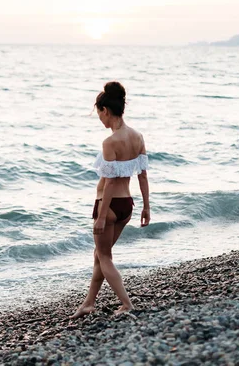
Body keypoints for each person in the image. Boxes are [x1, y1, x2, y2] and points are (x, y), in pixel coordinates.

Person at [71, 81, 150, 319]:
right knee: (99, 254)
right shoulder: (137, 136)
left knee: (104, 256)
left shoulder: (110, 142)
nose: (100, 120)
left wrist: (102, 216)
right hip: (127, 206)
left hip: (109, 206)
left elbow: (111, 182)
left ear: (106, 110)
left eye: (99, 114)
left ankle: (126, 303)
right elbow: (143, 175)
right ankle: (89, 303)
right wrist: (147, 206)